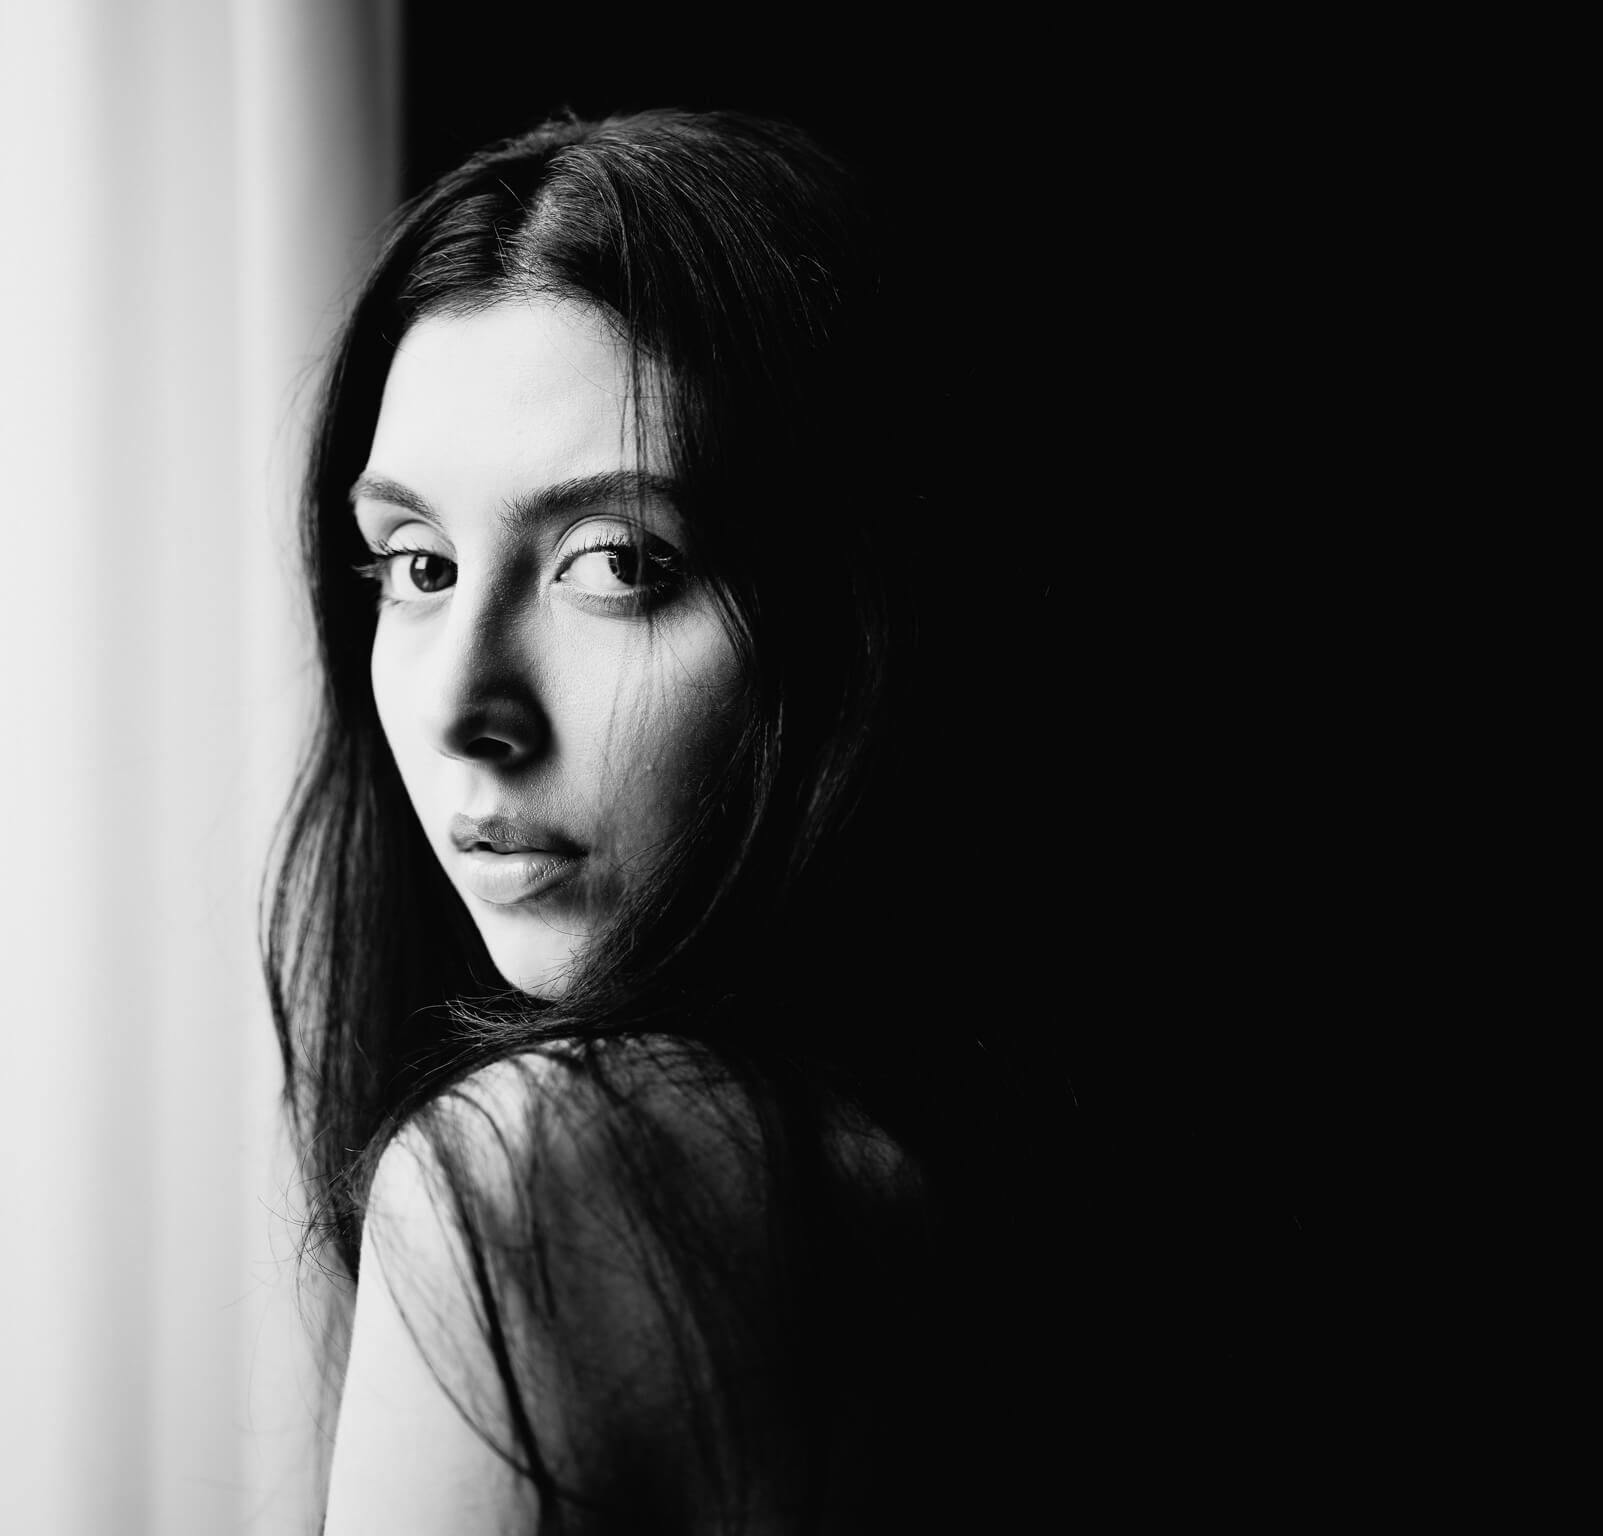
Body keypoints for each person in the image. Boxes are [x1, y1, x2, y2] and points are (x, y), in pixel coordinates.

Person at [265, 108, 1085, 1533]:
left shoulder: (533, 1177)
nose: (463, 707)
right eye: (417, 564)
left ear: (857, 623)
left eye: (618, 562)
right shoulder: (1024, 1212)